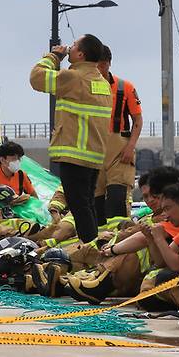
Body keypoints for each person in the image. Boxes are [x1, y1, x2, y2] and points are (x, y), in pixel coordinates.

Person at [30, 34, 111, 244]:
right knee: (87, 204)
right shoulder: (101, 82)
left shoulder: (74, 77)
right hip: (93, 155)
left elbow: (37, 78)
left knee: (78, 206)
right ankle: (93, 246)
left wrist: (54, 56)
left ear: (81, 54)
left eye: (74, 46)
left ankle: (90, 250)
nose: (70, 48)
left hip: (74, 153)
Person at [94, 45, 143, 225]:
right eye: (95, 66)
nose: (98, 70)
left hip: (119, 147)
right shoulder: (84, 87)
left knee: (117, 197)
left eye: (102, 65)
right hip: (93, 147)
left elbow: (137, 120)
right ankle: (97, 239)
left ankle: (119, 236)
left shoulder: (125, 87)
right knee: (95, 200)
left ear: (108, 64)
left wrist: (130, 146)